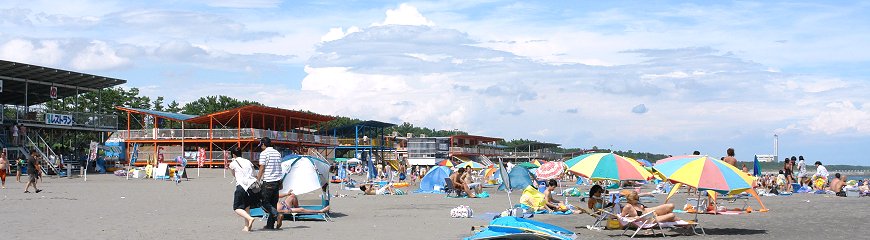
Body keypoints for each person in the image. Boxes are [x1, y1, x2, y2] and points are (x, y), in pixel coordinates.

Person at [256, 137, 283, 230]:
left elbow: (262, 168)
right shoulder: (277, 153)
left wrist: (257, 179)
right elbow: (280, 168)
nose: (261, 147)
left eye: (261, 145)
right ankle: (270, 225)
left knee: (264, 202)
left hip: (268, 181)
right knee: (273, 203)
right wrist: (281, 181)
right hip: (277, 181)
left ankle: (277, 215)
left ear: (263, 144)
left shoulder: (264, 153)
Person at [228, 147, 257, 232]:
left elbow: (234, 175)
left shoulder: (233, 163)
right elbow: (254, 173)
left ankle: (250, 218)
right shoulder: (248, 161)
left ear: (233, 154)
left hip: (241, 186)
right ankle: (247, 227)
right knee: (247, 207)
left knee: (236, 207)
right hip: (251, 186)